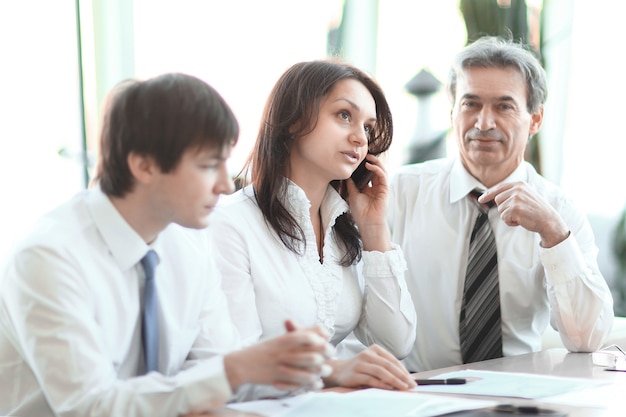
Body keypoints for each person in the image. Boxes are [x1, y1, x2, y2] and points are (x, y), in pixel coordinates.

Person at [0, 73, 336, 417]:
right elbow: (91, 407)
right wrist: (234, 370)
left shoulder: (190, 242)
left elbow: (215, 370)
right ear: (144, 165)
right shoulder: (49, 257)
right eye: (208, 165)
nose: (225, 184)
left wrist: (288, 364)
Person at [388, 36, 614, 372]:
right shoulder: (401, 192)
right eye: (470, 104)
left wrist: (553, 233)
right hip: (419, 390)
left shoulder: (559, 210)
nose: (483, 124)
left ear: (535, 119)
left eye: (503, 106)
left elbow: (587, 337)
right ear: (452, 111)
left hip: (518, 399)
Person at [209, 60, 418, 393]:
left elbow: (396, 345)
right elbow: (231, 370)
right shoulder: (230, 223)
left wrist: (376, 230)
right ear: (293, 122)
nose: (359, 138)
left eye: (367, 126)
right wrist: (330, 370)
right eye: (344, 115)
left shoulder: (344, 231)